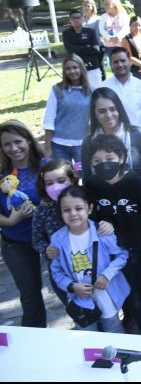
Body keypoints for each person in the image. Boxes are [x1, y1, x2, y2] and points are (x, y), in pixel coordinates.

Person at [84, 134, 141, 336]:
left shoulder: (136, 183)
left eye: (110, 159)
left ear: (121, 157)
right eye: (97, 161)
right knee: (135, 303)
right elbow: (91, 218)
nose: (104, 164)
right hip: (117, 258)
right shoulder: (92, 185)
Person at [32, 159, 114, 306]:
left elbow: (101, 217)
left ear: (72, 180)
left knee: (107, 307)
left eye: (61, 180)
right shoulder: (42, 211)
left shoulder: (84, 199)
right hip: (65, 271)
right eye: (49, 183)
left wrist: (107, 224)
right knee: (80, 310)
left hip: (96, 266)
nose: (55, 186)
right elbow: (37, 239)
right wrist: (46, 249)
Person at [50, 185, 129, 334]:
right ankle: (92, 356)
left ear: (90, 209)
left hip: (105, 293)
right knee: (86, 333)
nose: (73, 214)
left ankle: (117, 356)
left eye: (79, 208)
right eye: (66, 210)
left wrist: (107, 275)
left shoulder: (102, 232)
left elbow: (122, 255)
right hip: (79, 297)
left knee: (113, 328)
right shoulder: (58, 239)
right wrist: (71, 286)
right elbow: (56, 271)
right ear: (61, 213)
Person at [0, 120, 47, 328]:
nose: (13, 148)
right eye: (6, 144)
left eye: (18, 141)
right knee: (30, 297)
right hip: (15, 242)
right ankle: (35, 342)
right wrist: (11, 220)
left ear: (28, 140)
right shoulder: (2, 174)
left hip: (50, 239)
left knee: (69, 290)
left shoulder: (46, 166)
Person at [81, 87, 141, 183]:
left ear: (119, 109)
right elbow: (87, 178)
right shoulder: (88, 142)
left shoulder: (137, 134)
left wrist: (138, 179)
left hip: (134, 193)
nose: (109, 115)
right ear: (94, 113)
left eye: (112, 109)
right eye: (102, 111)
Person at [42, 55, 92, 164]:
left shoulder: (91, 91)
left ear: (81, 68)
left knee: (82, 172)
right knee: (63, 175)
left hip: (81, 144)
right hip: (59, 145)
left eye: (75, 67)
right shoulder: (57, 90)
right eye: (68, 68)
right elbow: (49, 120)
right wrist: (47, 147)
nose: (72, 71)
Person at [99, 47, 141, 132]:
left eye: (123, 61)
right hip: (112, 138)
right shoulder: (103, 87)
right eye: (115, 62)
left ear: (130, 62)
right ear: (111, 65)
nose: (120, 64)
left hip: (138, 136)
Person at [63, 9, 102, 86]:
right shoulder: (66, 34)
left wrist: (79, 49)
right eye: (73, 18)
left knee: (96, 90)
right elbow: (70, 49)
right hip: (75, 68)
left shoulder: (90, 32)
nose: (76, 20)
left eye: (78, 17)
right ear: (70, 20)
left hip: (92, 65)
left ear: (82, 18)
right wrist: (87, 47)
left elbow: (95, 48)